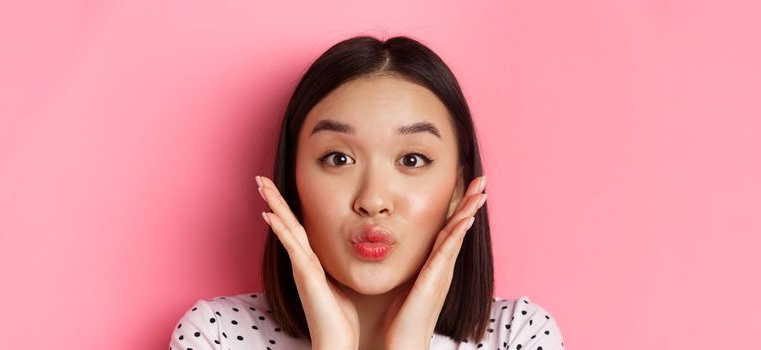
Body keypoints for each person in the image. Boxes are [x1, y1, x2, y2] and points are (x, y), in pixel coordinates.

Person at [169, 35, 564, 350]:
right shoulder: (216, 336)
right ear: (292, 181)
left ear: (458, 188)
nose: (373, 201)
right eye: (338, 158)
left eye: (411, 160)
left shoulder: (518, 336)